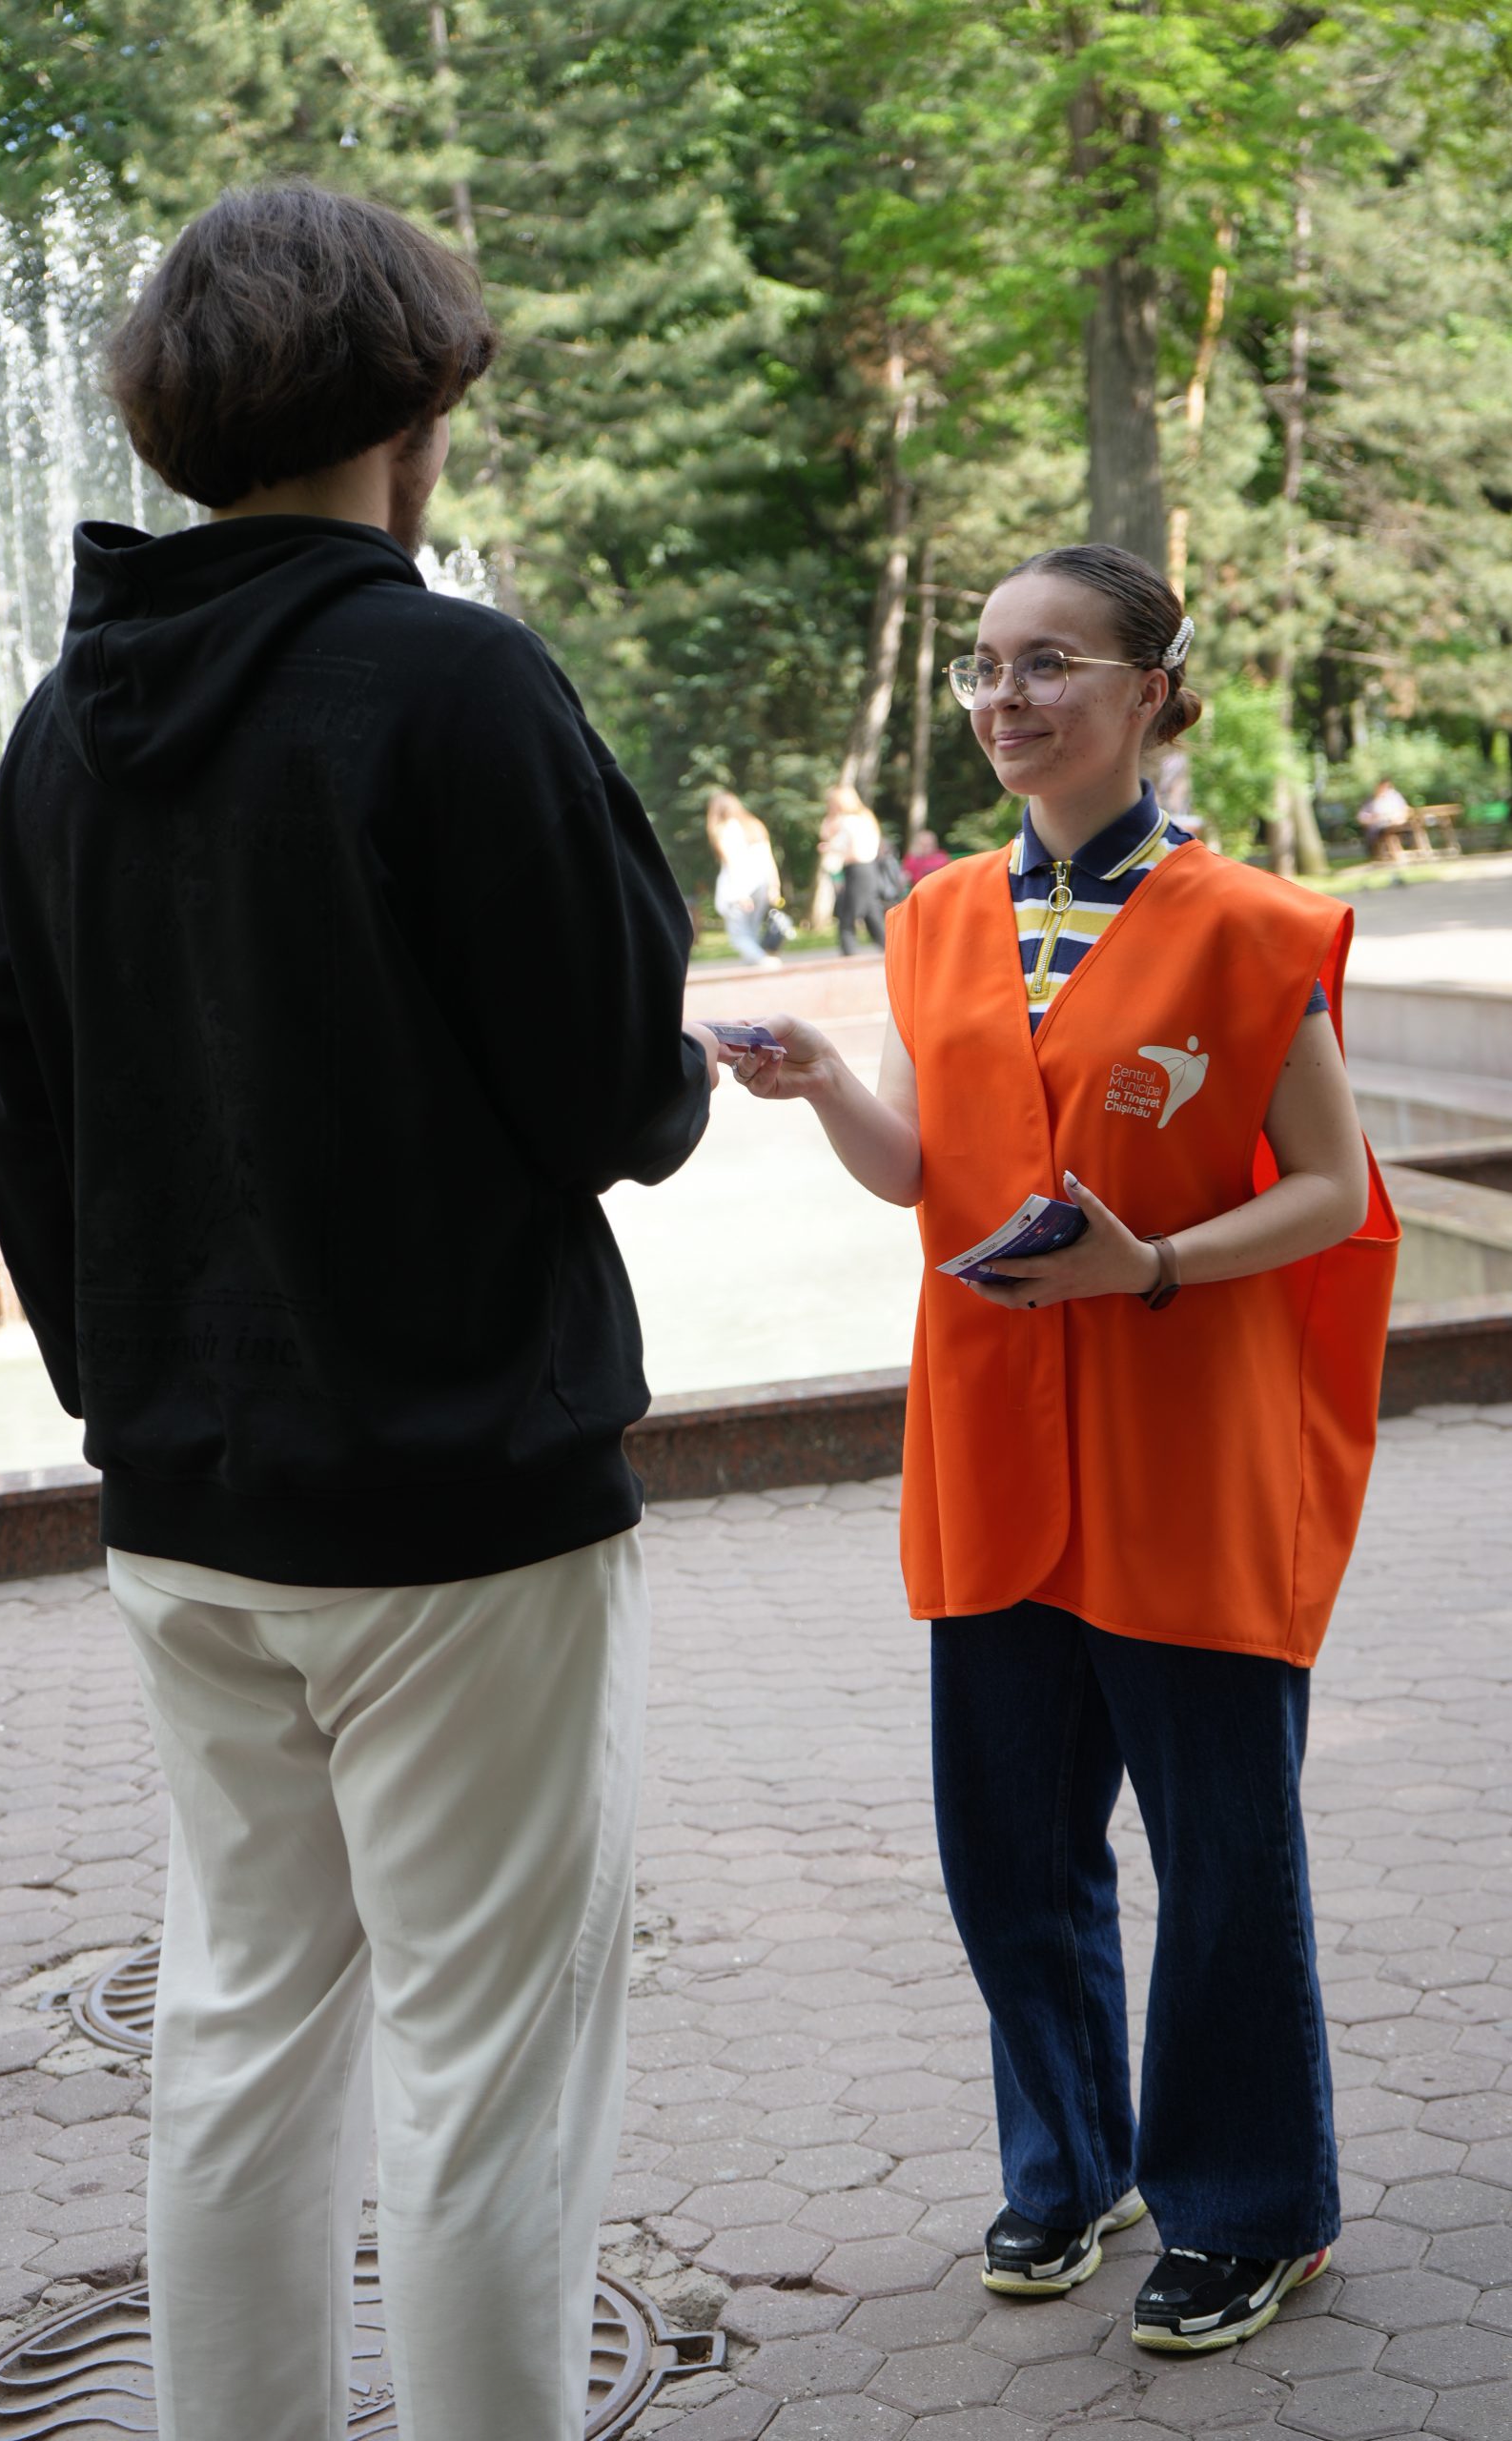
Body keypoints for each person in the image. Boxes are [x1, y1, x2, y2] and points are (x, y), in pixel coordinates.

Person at [0, 184, 722, 2441]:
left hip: (191, 1509)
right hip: (462, 1506)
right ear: (412, 402)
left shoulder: (63, 720)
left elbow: (29, 1121)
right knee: (484, 2069)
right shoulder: (453, 674)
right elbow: (618, 1088)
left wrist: (134, 1401)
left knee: (237, 2031)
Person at [723, 541, 1398, 2355]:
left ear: (1148, 690)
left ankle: (1250, 2210)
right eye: (983, 666)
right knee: (1005, 1854)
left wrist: (1150, 1263)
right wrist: (823, 1086)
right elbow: (924, 1172)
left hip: (1185, 1451)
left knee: (1220, 1857)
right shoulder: (936, 916)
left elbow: (1330, 1189)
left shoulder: (1247, 925)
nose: (1004, 699)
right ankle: (1074, 2163)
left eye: (1048, 663)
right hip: (991, 1447)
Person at [706, 787, 783, 965]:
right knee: (752, 931)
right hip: (761, 884)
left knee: (739, 936)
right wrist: (774, 886)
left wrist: (740, 892)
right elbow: (768, 859)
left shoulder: (723, 830)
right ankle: (754, 966)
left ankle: (764, 961)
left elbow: (732, 863)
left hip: (738, 887)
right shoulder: (754, 826)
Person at [823, 781, 889, 954]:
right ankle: (890, 948)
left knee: (847, 916)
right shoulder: (864, 818)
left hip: (857, 868)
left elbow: (855, 851)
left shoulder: (849, 822)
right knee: (870, 913)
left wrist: (833, 849)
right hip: (867, 869)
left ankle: (849, 954)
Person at [1358, 775, 1410, 862]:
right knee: (1383, 832)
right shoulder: (1371, 800)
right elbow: (1362, 816)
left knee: (1392, 831)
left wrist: (1401, 818)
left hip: (1397, 823)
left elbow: (1405, 809)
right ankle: (1388, 854)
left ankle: (1396, 854)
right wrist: (1370, 819)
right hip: (1378, 826)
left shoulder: (1394, 796)